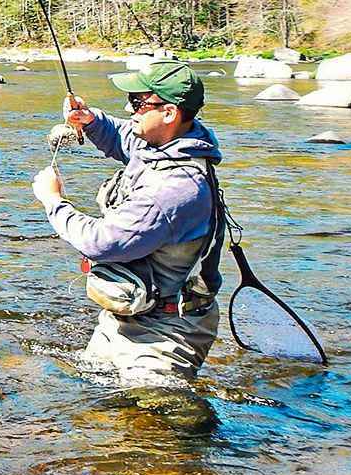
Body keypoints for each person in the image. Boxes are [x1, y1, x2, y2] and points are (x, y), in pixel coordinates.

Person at [30, 60, 226, 383]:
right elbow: (125, 138)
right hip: (129, 316)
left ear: (169, 113)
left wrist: (53, 201)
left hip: (165, 334)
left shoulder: (173, 190)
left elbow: (101, 243)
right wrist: (90, 121)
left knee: (149, 426)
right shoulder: (168, 143)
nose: (129, 107)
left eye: (139, 102)